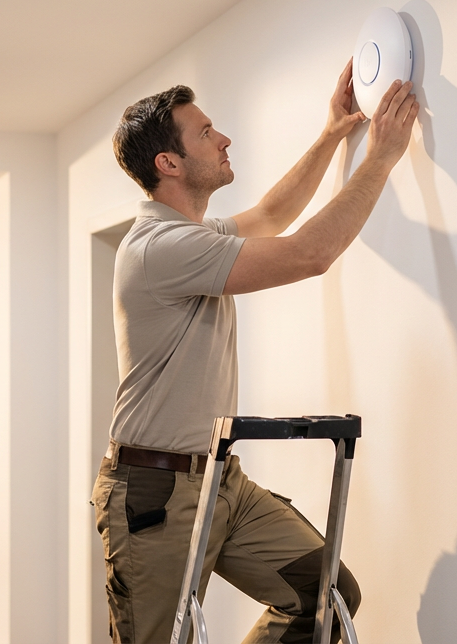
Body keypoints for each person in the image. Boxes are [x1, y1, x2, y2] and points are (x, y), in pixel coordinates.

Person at [93, 59, 419, 643]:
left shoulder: (193, 237)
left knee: (325, 595)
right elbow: (307, 254)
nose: (224, 138)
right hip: (154, 494)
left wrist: (331, 135)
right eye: (206, 132)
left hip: (221, 477)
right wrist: (382, 155)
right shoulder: (158, 248)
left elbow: (272, 216)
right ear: (169, 163)